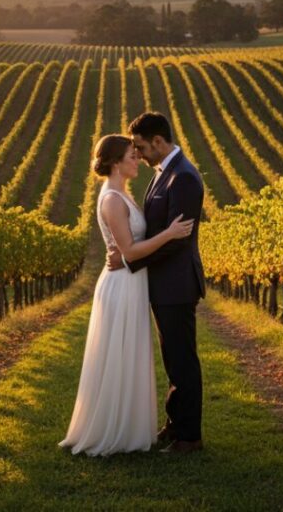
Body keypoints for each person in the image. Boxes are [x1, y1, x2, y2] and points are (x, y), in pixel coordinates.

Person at [59, 134, 194, 456]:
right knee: (119, 353)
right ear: (116, 163)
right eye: (132, 156)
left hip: (131, 282)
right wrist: (170, 234)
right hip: (121, 284)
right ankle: (114, 431)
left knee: (129, 351)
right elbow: (130, 252)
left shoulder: (122, 194)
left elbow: (127, 250)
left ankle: (129, 427)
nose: (138, 160)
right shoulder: (111, 200)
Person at [107, 112, 206, 454]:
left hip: (177, 285)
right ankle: (176, 423)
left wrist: (130, 259)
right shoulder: (165, 173)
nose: (140, 154)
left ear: (160, 142)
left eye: (141, 147)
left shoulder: (184, 179)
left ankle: (189, 437)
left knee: (182, 361)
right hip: (164, 285)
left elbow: (178, 241)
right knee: (172, 359)